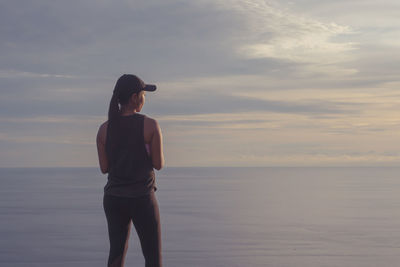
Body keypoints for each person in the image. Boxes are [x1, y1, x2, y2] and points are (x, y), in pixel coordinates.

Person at [96, 74, 164, 267]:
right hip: (142, 198)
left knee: (116, 253)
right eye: (143, 94)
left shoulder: (103, 130)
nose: (144, 98)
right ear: (135, 97)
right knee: (152, 257)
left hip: (114, 198)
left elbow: (104, 168)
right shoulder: (150, 125)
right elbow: (158, 164)